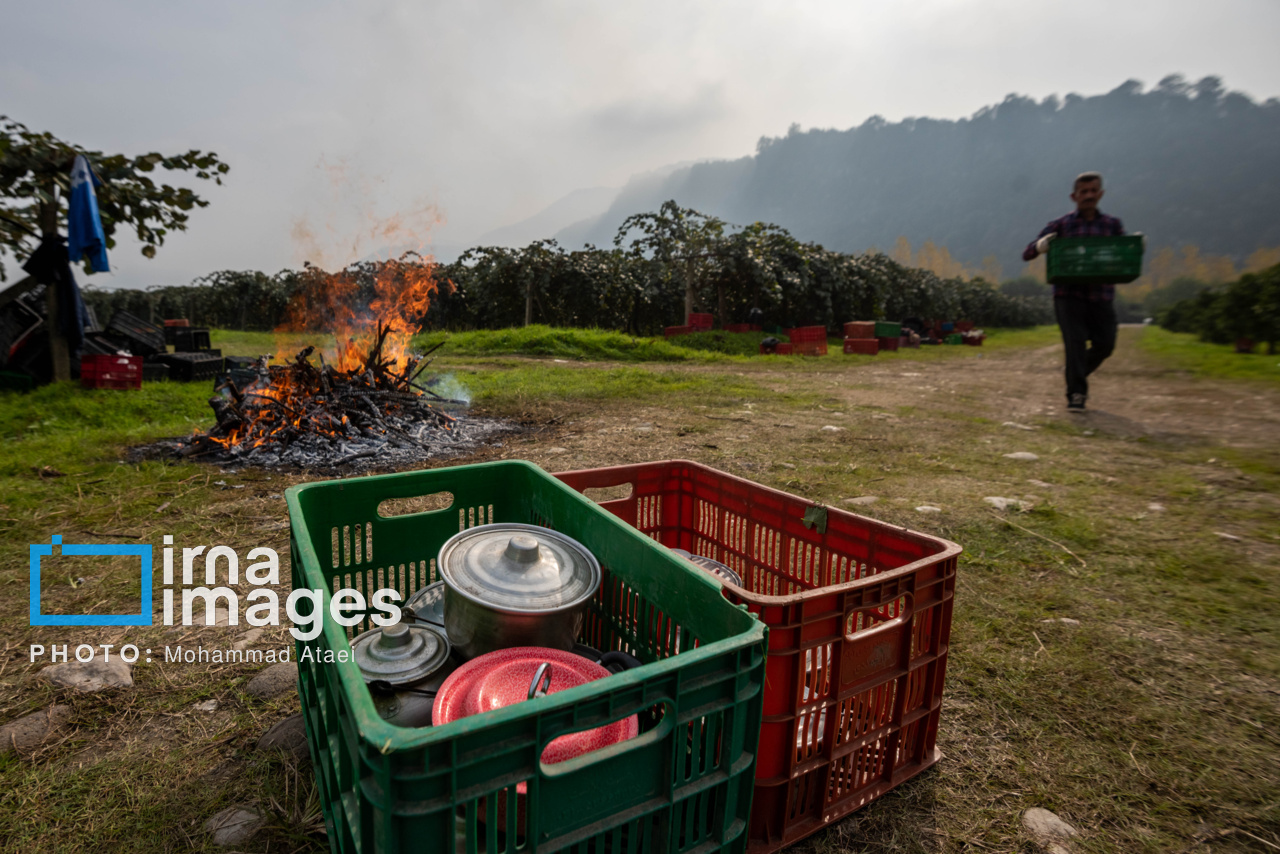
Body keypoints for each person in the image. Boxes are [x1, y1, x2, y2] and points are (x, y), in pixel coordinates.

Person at [1022, 171, 1125, 412]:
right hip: (1069, 296)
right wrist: (1041, 245)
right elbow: (1027, 252)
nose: (1088, 196)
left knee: (1106, 344)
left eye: (1093, 191)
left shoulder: (1112, 225)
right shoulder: (1061, 225)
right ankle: (1076, 394)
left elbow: (1123, 255)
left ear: (1100, 194)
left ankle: (1074, 372)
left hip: (1101, 295)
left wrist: (1135, 246)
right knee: (1075, 344)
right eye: (1083, 192)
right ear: (1074, 196)